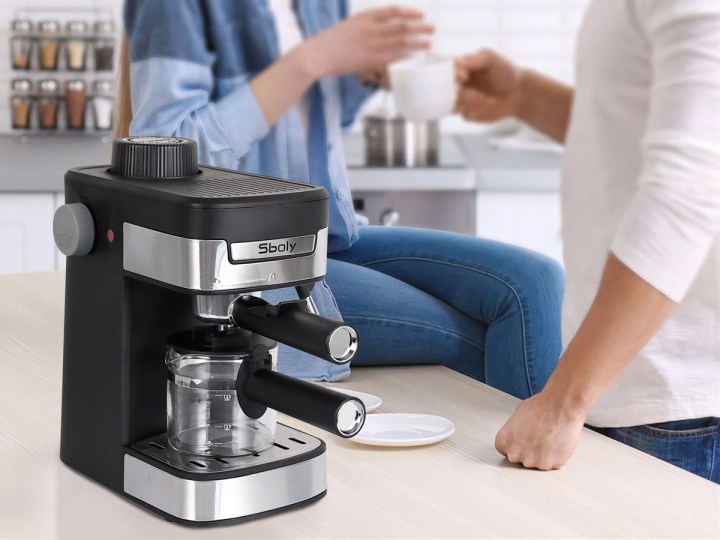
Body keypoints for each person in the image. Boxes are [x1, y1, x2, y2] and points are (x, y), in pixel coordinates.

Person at [119, 0, 565, 400]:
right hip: (244, 262)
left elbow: (319, 121)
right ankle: (531, 480)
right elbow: (165, 152)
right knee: (497, 336)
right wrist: (308, 61)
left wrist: (368, 74)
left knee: (537, 280)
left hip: (328, 237)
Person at [456, 0, 720, 482]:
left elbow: (683, 198)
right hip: (648, 393)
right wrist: (523, 96)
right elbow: (633, 131)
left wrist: (562, 402)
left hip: (675, 408)